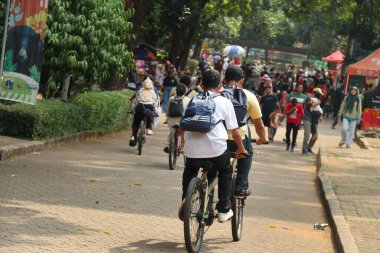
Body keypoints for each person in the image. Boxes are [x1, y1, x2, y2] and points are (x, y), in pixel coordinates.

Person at [179, 69, 247, 223]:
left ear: (201, 84)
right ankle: (223, 209)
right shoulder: (224, 102)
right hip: (215, 151)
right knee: (225, 170)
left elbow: (183, 127)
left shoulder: (193, 99)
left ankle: (186, 200)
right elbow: (235, 133)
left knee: (189, 170)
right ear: (220, 85)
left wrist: (186, 143)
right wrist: (241, 148)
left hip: (192, 151)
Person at [223, 65, 267, 197]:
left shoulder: (217, 93)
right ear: (242, 80)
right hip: (238, 140)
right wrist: (263, 138)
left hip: (217, 139)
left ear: (225, 80)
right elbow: (258, 124)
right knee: (247, 153)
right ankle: (241, 186)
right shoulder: (249, 96)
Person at [129, 78, 159, 146]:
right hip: (149, 107)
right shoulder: (153, 92)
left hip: (140, 107)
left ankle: (133, 136)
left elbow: (136, 101)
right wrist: (155, 111)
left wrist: (133, 108)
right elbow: (155, 103)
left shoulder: (140, 91)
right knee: (150, 115)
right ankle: (149, 129)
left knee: (136, 122)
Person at [163, 84, 191, 153]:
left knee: (172, 130)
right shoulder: (188, 100)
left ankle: (168, 145)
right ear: (185, 92)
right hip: (182, 121)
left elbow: (168, 109)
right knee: (184, 134)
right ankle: (184, 148)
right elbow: (189, 111)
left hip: (172, 119)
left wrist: (167, 118)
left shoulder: (171, 98)